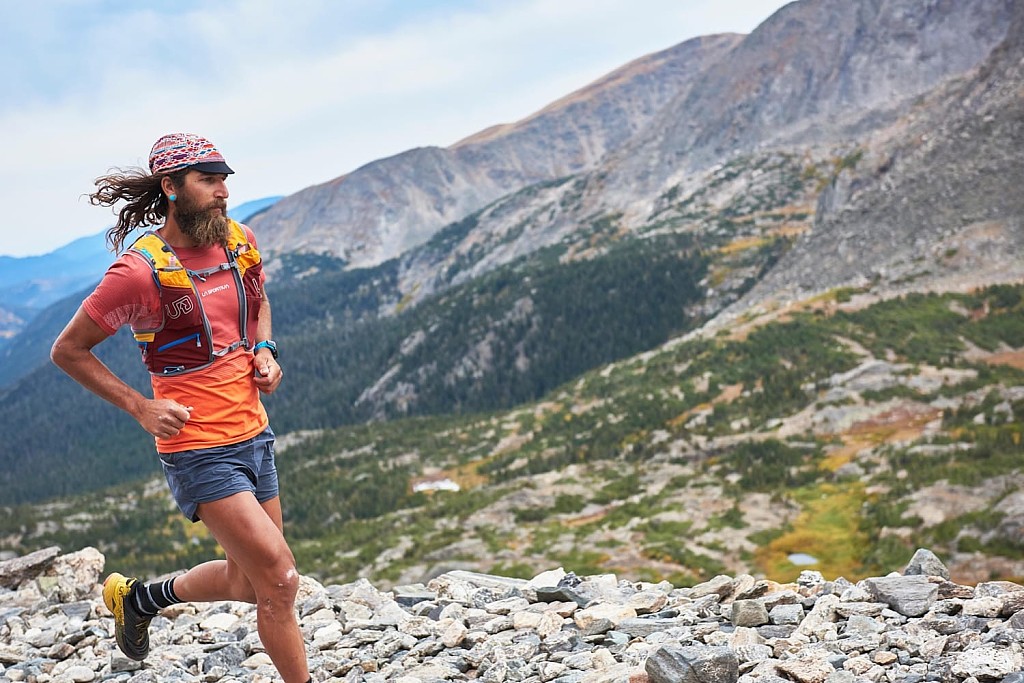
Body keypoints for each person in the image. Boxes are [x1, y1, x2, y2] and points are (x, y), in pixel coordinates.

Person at [50, 133, 312, 683]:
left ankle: (141, 599)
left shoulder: (239, 242)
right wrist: (140, 407)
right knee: (281, 580)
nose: (223, 192)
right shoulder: (138, 272)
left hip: (254, 433)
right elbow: (68, 350)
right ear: (171, 187)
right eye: (208, 181)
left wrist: (265, 349)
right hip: (198, 448)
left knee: (248, 584)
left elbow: (258, 303)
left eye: (224, 180)